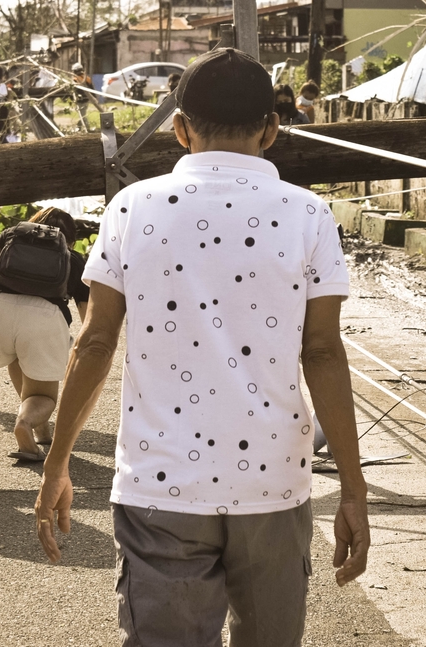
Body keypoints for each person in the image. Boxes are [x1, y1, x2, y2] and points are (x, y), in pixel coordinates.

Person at [34, 47, 369, 646]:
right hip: (272, 482)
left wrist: (57, 461)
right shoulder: (309, 214)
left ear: (180, 128)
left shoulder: (132, 208)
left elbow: (96, 343)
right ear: (271, 128)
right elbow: (322, 355)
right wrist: (353, 488)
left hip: (162, 485)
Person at [0, 207, 90, 461]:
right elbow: (87, 316)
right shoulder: (73, 258)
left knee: (18, 358)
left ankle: (41, 429)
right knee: (44, 395)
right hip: (43, 317)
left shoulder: (11, 234)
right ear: (69, 239)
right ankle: (25, 423)